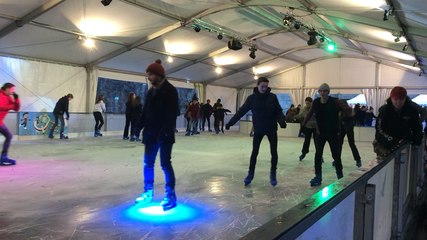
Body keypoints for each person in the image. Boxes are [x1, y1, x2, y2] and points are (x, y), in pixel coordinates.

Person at [135, 60, 180, 211]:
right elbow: (145, 112)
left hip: (164, 135)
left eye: (151, 74)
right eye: (148, 74)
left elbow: (172, 114)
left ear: (159, 75)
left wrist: (166, 131)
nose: (148, 77)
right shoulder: (150, 92)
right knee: (148, 163)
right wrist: (138, 127)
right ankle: (148, 192)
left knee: (165, 164)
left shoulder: (170, 90)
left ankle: (170, 195)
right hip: (150, 134)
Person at [226, 77, 286, 186]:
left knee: (274, 152)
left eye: (266, 86)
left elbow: (278, 111)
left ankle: (273, 174)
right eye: (262, 86)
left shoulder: (272, 97)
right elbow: (241, 111)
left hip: (271, 129)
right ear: (257, 85)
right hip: (258, 129)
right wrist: (231, 122)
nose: (264, 88)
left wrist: (282, 121)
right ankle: (250, 174)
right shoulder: (251, 98)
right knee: (255, 152)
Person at [303, 83, 343, 187]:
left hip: (333, 133)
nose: (322, 93)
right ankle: (318, 176)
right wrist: (303, 125)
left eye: (325, 91)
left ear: (328, 92)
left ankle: (340, 175)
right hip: (320, 133)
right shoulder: (316, 102)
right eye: (321, 91)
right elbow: (310, 113)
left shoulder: (334, 102)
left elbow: (345, 112)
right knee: (318, 155)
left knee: (336, 155)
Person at [374, 86, 422, 157]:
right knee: (386, 163)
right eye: (396, 99)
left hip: (403, 143)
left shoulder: (411, 111)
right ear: (391, 98)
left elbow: (417, 127)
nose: (398, 102)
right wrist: (390, 139)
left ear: (405, 99)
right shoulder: (384, 110)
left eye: (401, 99)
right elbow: (379, 129)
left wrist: (416, 138)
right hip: (384, 143)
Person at [0, 83, 20, 166]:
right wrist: (11, 106)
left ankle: (3, 157)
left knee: (9, 136)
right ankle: (3, 157)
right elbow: (1, 107)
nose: (13, 91)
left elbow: (16, 108)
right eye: (12, 89)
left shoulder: (9, 97)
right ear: (7, 89)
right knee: (9, 135)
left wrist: (17, 99)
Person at [338, 100, 362, 168]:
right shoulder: (340, 110)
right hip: (342, 129)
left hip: (348, 129)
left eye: (342, 104)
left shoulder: (348, 110)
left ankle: (358, 159)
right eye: (340, 104)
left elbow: (348, 120)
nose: (341, 105)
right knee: (339, 145)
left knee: (351, 144)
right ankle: (337, 159)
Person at [296, 97, 317, 161]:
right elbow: (300, 116)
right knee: (306, 141)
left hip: (316, 128)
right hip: (307, 127)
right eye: (306, 103)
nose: (307, 104)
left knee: (317, 142)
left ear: (311, 103)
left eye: (308, 103)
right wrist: (295, 117)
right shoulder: (304, 109)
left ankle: (320, 155)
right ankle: (304, 153)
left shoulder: (315, 108)